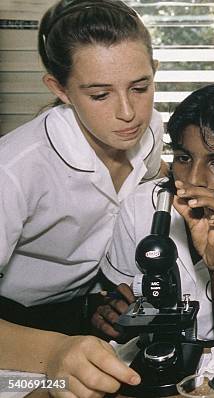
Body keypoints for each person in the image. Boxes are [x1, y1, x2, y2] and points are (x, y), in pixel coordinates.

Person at [0, 0, 163, 396]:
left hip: (86, 314)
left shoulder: (152, 131)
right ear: (61, 89)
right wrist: (53, 350)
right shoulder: (15, 168)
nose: (129, 113)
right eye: (100, 94)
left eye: (140, 87)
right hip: (15, 328)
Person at [94, 83, 214, 344]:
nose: (194, 179)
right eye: (183, 158)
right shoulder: (139, 206)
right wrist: (113, 312)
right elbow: (118, 295)